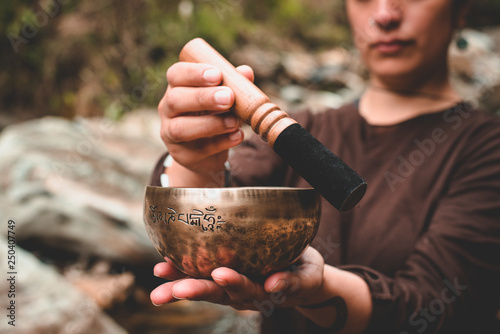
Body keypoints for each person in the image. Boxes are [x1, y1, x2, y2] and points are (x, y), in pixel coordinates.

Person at [149, 0, 500, 333]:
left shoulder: (487, 148)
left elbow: (439, 309)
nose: (384, 15)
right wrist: (193, 160)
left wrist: (317, 291)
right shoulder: (298, 134)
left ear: (461, 9)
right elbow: (210, 202)